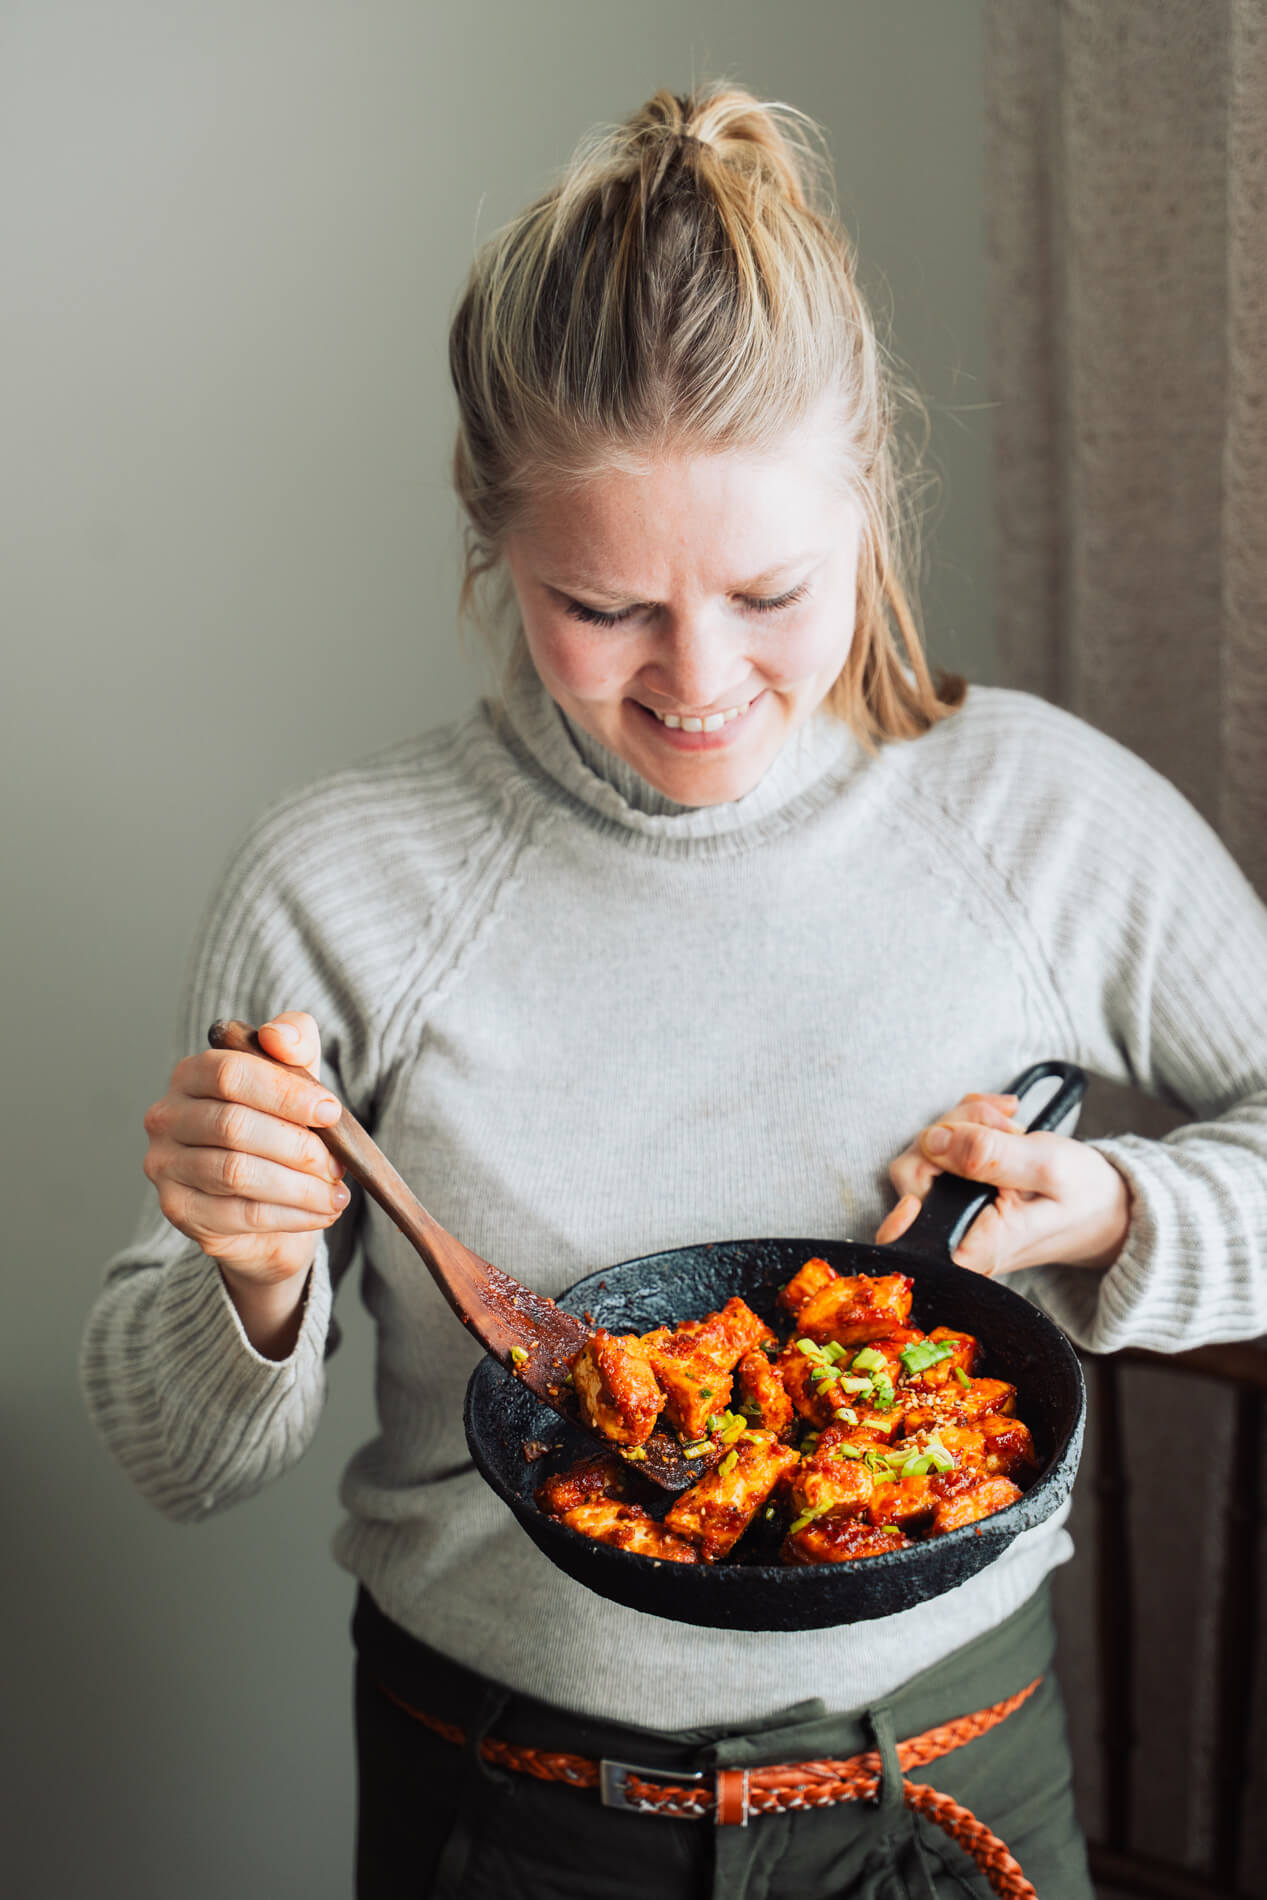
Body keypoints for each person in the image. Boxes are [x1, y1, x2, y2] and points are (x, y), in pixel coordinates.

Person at [80, 83, 1267, 1900]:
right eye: (606, 605)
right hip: (510, 1813)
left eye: (770, 590)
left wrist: (1112, 1210)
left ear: (870, 499)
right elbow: (175, 1460)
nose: (698, 681)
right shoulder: (339, 882)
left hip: (952, 1791)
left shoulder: (1040, 816)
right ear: (495, 542)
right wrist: (249, 1280)